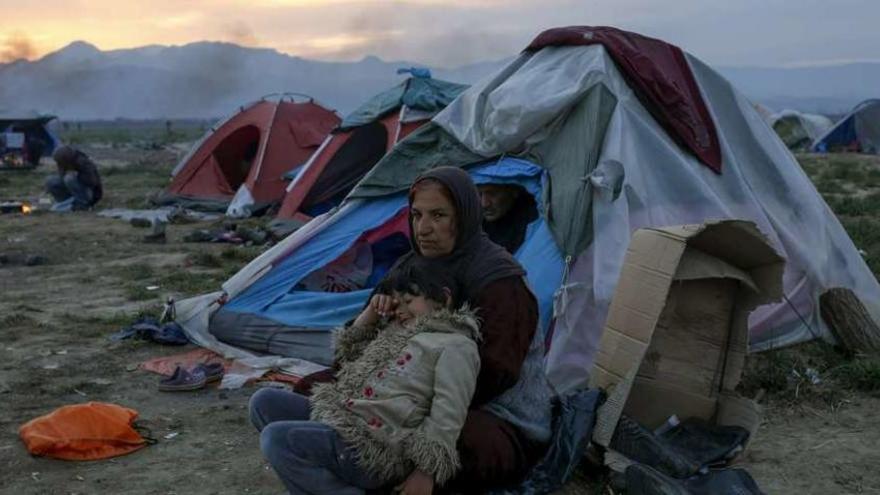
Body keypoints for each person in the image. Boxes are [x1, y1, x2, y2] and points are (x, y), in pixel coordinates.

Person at [380, 167, 552, 493]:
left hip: (496, 415)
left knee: (455, 441)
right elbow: (370, 331)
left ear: (465, 217)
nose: (423, 229)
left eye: (438, 215)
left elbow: (495, 374)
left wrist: (411, 401)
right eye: (416, 215)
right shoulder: (409, 265)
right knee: (320, 389)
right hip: (410, 391)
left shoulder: (500, 280)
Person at [250, 263, 480, 494]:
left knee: (277, 439)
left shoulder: (456, 346)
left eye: (409, 301)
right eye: (397, 302)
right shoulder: (397, 330)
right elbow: (346, 356)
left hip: (375, 444)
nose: (400, 310)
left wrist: (425, 472)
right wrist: (370, 313)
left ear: (444, 298)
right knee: (264, 401)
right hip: (342, 416)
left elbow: (448, 412)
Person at [478, 183, 538, 254]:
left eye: (492, 194)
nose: (484, 204)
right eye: (479, 194)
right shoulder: (475, 221)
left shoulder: (532, 221)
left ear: (514, 191)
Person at [45, 145, 103, 210]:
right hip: (74, 191)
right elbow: (61, 177)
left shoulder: (83, 162)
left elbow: (92, 182)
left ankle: (82, 205)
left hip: (90, 194)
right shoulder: (64, 164)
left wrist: (77, 175)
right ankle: (63, 201)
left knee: (69, 179)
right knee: (51, 181)